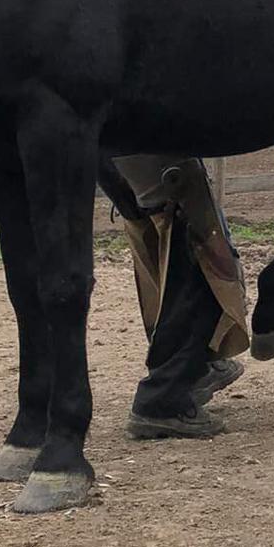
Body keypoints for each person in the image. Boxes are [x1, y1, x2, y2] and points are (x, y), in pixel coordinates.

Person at [112, 155, 250, 438]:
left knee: (160, 258)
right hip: (164, 167)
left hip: (122, 167)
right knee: (204, 266)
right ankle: (164, 395)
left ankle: (192, 368)